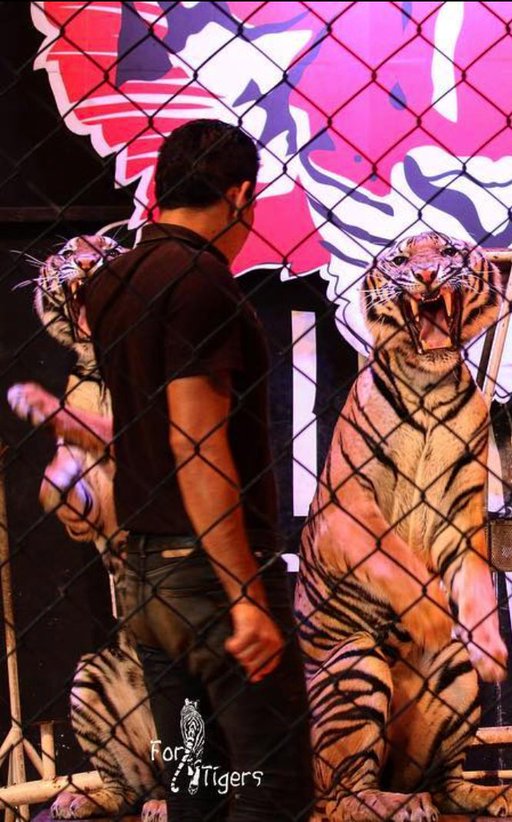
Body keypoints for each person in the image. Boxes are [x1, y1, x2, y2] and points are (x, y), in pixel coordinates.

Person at [81, 119, 312, 820]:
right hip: (208, 576)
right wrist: (244, 595)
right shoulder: (202, 281)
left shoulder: (112, 281)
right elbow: (195, 439)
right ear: (240, 194)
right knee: (275, 787)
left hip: (145, 576)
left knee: (197, 789)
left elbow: (144, 425)